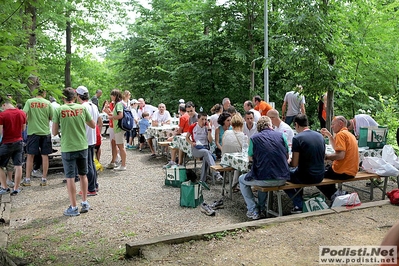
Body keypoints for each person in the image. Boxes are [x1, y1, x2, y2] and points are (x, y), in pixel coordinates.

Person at [52, 87, 95, 216]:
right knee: (83, 175)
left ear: (63, 98)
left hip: (68, 147)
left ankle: (74, 207)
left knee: (70, 177)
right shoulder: (82, 108)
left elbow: (54, 132)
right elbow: (92, 125)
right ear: (75, 97)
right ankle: (85, 202)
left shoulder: (59, 110)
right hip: (82, 145)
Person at [238, 116, 290, 220]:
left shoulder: (254, 139)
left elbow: (250, 158)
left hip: (263, 178)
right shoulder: (281, 136)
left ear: (258, 127)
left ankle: (253, 209)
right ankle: (261, 206)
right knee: (261, 174)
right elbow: (287, 156)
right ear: (271, 125)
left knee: (242, 179)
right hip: (282, 178)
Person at [284, 114, 326, 213]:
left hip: (305, 176)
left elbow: (294, 163)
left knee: (281, 176)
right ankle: (299, 199)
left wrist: (288, 161)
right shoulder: (320, 136)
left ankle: (298, 203)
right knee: (297, 171)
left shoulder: (297, 138)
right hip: (320, 174)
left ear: (296, 124)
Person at [320, 116, 359, 201]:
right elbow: (337, 149)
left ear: (340, 123)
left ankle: (336, 196)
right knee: (326, 170)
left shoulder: (341, 134)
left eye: (333, 124)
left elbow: (340, 156)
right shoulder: (349, 134)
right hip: (352, 171)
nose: (331, 126)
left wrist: (326, 156)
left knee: (316, 176)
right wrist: (330, 136)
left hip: (342, 171)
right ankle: (335, 192)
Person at [22, 88, 53, 187]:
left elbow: (23, 114)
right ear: (44, 93)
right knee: (45, 156)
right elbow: (52, 117)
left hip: (33, 132)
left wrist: (27, 121)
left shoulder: (29, 102)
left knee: (30, 155)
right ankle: (44, 179)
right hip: (45, 132)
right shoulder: (48, 103)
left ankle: (27, 179)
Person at [76, 86, 102, 196]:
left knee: (88, 165)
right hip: (92, 137)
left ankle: (90, 188)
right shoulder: (94, 106)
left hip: (84, 138)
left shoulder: (82, 107)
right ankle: (94, 185)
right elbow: (98, 121)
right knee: (91, 162)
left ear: (78, 96)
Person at [186, 112, 223, 183]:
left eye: (205, 119)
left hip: (205, 147)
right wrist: (191, 142)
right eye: (202, 119)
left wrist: (209, 130)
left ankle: (202, 181)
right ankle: (216, 173)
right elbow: (187, 137)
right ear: (198, 119)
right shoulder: (193, 126)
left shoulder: (207, 128)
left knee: (206, 156)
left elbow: (211, 141)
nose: (204, 121)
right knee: (207, 153)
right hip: (197, 148)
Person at [0, 99, 27, 195]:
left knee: (0, 166)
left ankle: (4, 187)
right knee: (18, 165)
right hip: (19, 142)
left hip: (7, 143)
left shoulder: (2, 115)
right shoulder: (22, 113)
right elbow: (23, 129)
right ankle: (16, 188)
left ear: (4, 105)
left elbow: (0, 131)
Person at [222, 113, 245, 191]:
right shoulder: (243, 136)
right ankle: (239, 184)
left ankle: (234, 184)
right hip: (235, 163)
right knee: (242, 163)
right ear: (242, 124)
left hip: (224, 160)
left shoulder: (226, 133)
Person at [108, 89, 127, 170]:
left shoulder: (119, 104)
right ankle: (122, 164)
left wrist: (112, 117)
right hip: (117, 128)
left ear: (115, 96)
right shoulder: (118, 104)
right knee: (119, 145)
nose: (111, 97)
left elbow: (120, 115)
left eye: (112, 95)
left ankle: (123, 165)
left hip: (119, 128)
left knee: (121, 147)